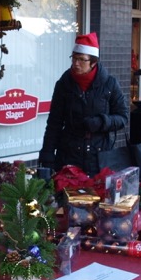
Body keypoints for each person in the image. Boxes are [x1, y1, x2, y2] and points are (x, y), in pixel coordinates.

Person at [38, 32, 129, 176]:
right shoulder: (64, 84)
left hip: (99, 159)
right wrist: (47, 155)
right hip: (69, 156)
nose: (75, 63)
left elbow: (123, 118)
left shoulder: (110, 84)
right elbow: (54, 123)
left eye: (81, 59)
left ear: (93, 62)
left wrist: (101, 122)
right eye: (74, 58)